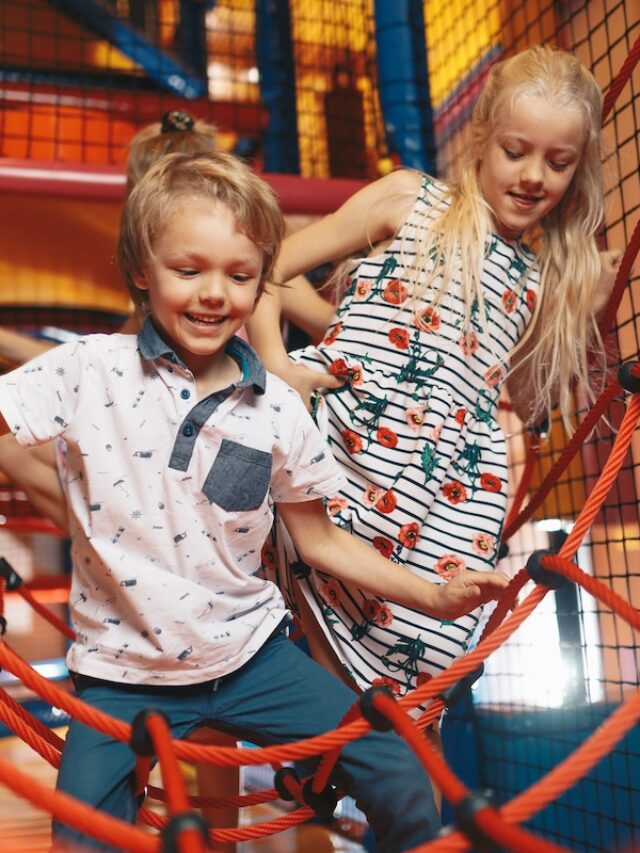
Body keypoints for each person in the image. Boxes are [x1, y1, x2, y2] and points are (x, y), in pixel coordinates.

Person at [0, 151, 509, 852]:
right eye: (189, 270)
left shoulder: (277, 409)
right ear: (143, 270)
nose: (215, 294)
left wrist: (435, 594)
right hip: (120, 671)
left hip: (250, 658)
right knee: (81, 837)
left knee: (398, 766)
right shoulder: (89, 367)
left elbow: (322, 542)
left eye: (239, 276)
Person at [246, 45, 619, 712]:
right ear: (481, 139)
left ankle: (394, 783)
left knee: (427, 658)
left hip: (439, 485)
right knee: (325, 594)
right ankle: (339, 768)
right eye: (516, 151)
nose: (534, 175)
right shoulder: (410, 199)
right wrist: (277, 367)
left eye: (558, 163)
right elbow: (266, 268)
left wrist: (584, 300)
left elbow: (525, 400)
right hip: (349, 443)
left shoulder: (547, 280)